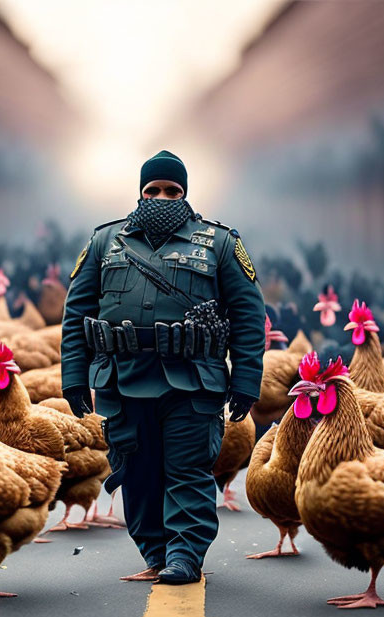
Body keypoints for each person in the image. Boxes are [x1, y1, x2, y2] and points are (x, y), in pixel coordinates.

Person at [61, 150, 265, 584]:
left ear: (185, 193)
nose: (162, 197)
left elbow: (248, 315)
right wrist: (73, 376)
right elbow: (76, 312)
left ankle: (184, 555)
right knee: (135, 471)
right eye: (153, 190)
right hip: (122, 378)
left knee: (187, 469)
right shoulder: (104, 242)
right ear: (139, 192)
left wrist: (246, 381)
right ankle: (155, 551)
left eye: (172, 191)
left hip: (191, 380)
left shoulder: (221, 243)